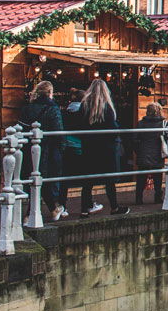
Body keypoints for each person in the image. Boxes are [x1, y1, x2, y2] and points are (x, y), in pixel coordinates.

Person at [78, 79, 130, 217]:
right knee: (109, 179)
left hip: (89, 147)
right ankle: (114, 207)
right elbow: (112, 129)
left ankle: (84, 209)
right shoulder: (107, 108)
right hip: (106, 148)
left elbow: (79, 126)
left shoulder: (84, 106)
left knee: (88, 180)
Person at [19, 81, 67, 221]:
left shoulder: (28, 108)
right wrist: (62, 147)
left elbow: (21, 126)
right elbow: (58, 130)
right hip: (48, 148)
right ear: (50, 93)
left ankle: (33, 213)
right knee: (43, 179)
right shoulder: (53, 108)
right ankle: (43, 211)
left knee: (35, 178)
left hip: (30, 148)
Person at [133, 102, 166, 205]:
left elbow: (134, 139)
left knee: (141, 178)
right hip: (157, 154)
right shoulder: (163, 124)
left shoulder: (141, 123)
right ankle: (157, 197)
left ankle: (138, 198)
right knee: (158, 178)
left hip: (143, 153)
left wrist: (138, 151)